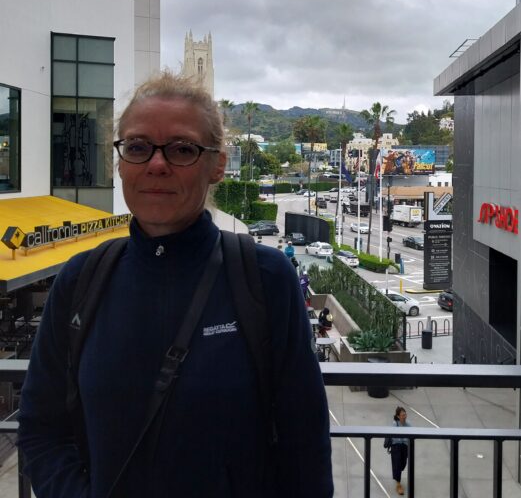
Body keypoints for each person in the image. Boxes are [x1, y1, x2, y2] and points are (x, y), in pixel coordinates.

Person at [17, 74, 333, 498]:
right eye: (137, 147)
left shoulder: (265, 278)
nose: (157, 164)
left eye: (182, 149)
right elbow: (41, 429)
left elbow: (305, 448)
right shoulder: (80, 280)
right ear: (119, 163)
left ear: (217, 165)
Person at [390, 406, 410, 495]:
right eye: (402, 415)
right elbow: (394, 437)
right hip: (396, 447)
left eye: (405, 414)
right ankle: (398, 484)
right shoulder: (395, 424)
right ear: (398, 416)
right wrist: (403, 439)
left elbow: (412, 435)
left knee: (403, 464)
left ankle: (397, 475)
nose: (404, 416)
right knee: (397, 465)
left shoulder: (408, 424)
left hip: (404, 447)